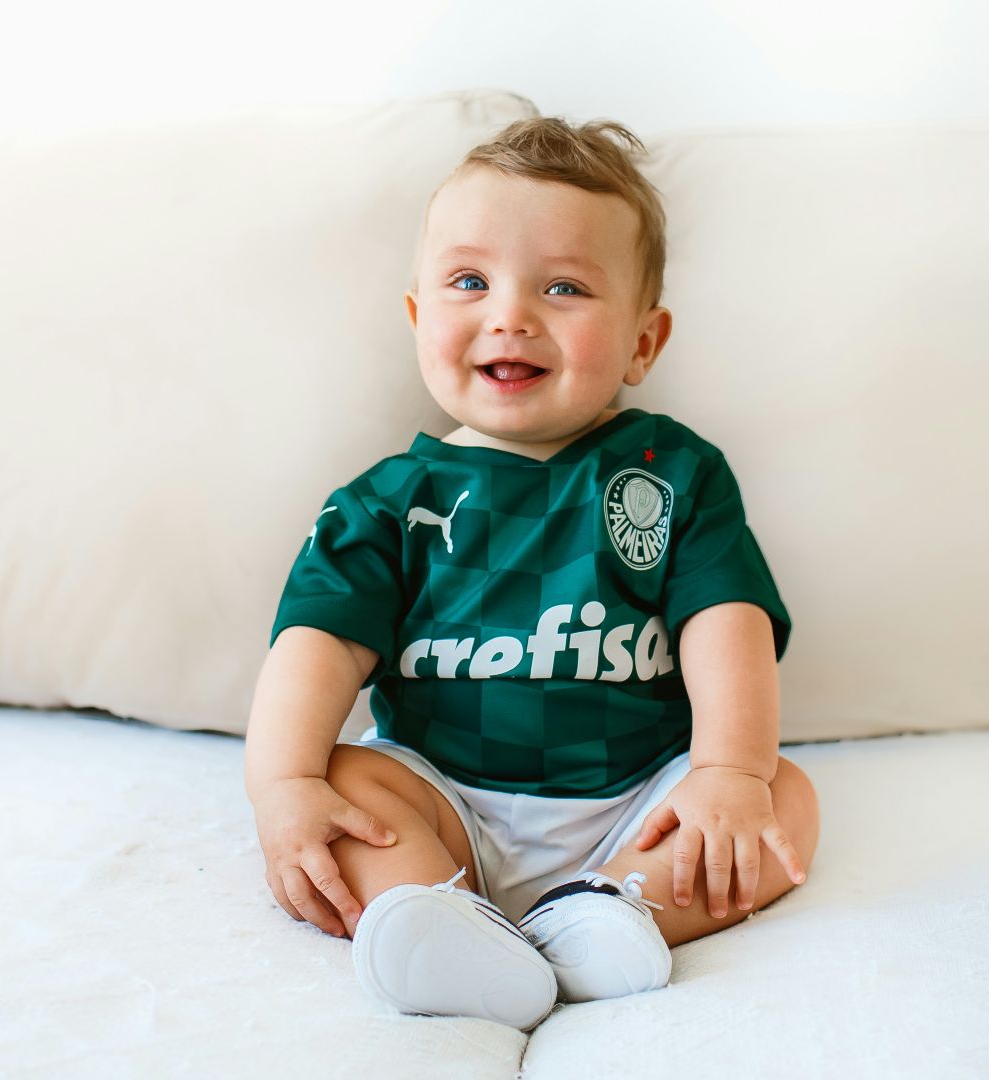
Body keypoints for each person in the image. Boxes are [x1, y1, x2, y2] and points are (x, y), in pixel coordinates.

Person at [244, 114, 820, 1032]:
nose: (510, 315)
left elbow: (727, 618)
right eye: (469, 281)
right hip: (445, 791)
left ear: (642, 340)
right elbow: (315, 645)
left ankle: (617, 913)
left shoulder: (673, 473)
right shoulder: (387, 501)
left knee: (780, 796)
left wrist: (727, 770)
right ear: (418, 318)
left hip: (637, 802)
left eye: (563, 287)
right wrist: (283, 789)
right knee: (348, 782)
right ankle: (448, 924)